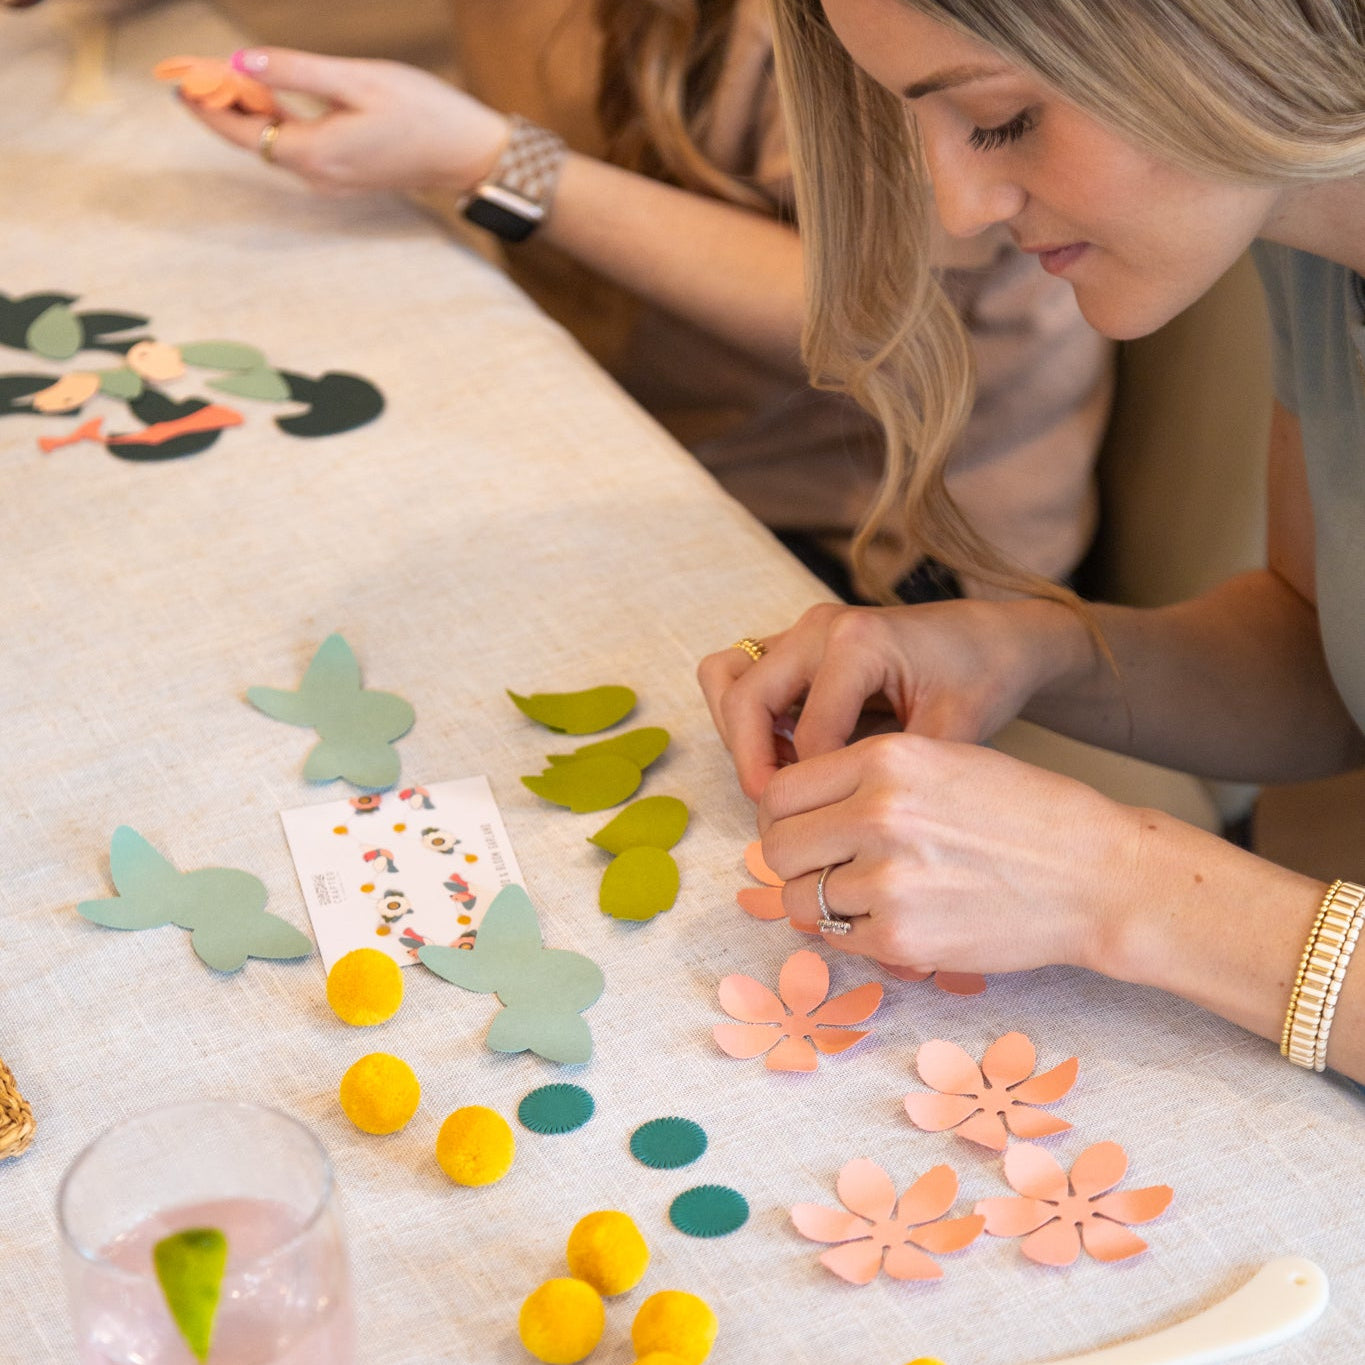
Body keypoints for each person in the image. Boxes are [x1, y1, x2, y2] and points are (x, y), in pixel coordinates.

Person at [699, 0, 1365, 1084]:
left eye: (1003, 119)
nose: (959, 209)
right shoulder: (1309, 233)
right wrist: (1026, 652)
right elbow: (1324, 670)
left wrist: (1124, 886)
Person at [167, 0, 1111, 604]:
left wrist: (495, 164)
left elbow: (889, 325)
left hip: (866, 526)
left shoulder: (867, 30)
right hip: (619, 419)